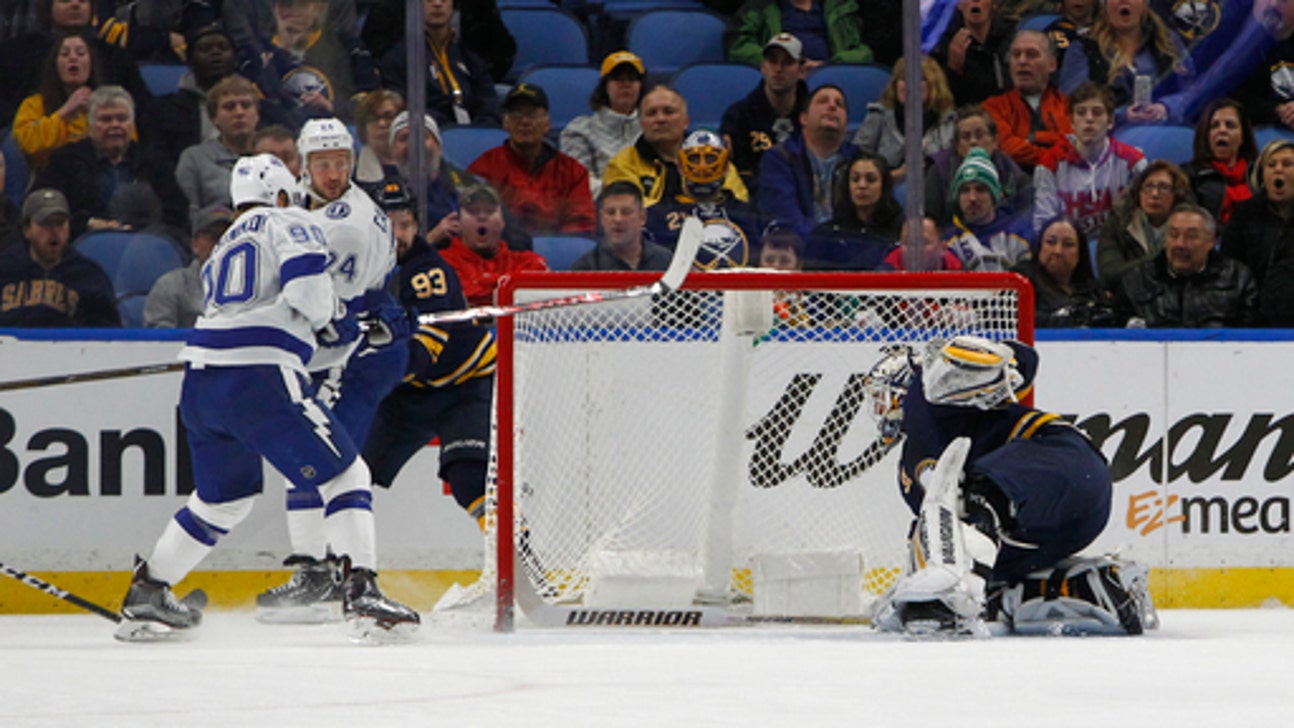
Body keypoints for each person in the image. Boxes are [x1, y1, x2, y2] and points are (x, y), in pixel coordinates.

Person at [116, 153, 419, 641]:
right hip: (257, 378)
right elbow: (309, 300)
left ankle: (150, 591)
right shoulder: (290, 220)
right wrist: (346, 319)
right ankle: (362, 592)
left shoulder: (222, 251)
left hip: (202, 384)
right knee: (346, 474)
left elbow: (294, 341)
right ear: (281, 195)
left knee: (222, 501)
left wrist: (355, 334)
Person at [865, 336, 1152, 636]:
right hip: (1055, 523)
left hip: (1063, 463)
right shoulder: (912, 464)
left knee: (977, 498)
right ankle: (1093, 588)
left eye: (883, 396)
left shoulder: (925, 400)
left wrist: (965, 361)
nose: (880, 407)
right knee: (993, 583)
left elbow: (1026, 362)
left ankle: (948, 594)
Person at [253, 119, 407, 623]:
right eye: (323, 163)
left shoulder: (345, 223)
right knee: (308, 455)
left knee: (317, 456)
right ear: (304, 164)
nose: (334, 172)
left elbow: (325, 310)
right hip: (345, 344)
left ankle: (323, 574)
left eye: (341, 161)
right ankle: (321, 569)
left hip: (357, 349)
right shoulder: (304, 204)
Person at [359, 181, 499, 563]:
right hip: (408, 391)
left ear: (417, 227)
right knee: (350, 475)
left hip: (464, 383)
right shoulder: (359, 268)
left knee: (468, 478)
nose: (398, 234)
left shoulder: (427, 271)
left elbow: (425, 352)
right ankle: (332, 568)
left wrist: (366, 372)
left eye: (405, 224)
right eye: (388, 224)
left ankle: (517, 558)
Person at [34, 85, 189, 240]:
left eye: (122, 118)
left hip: (145, 243)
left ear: (132, 124)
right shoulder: (65, 160)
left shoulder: (154, 161)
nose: (115, 125)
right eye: (105, 119)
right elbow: (44, 209)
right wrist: (89, 224)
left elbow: (176, 213)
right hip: (82, 243)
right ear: (89, 126)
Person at [0, 0, 151, 136]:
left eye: (83, 1)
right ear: (47, 6)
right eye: (65, 0)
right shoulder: (16, 52)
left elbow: (142, 107)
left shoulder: (114, 56)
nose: (75, 5)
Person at [467, 83, 597, 237]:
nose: (524, 122)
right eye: (516, 114)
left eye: (532, 114)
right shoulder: (485, 167)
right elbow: (474, 219)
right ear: (505, 123)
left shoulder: (572, 171)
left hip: (555, 254)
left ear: (547, 124)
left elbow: (581, 224)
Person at [1032, 82, 1146, 239]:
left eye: (1097, 112)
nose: (1089, 119)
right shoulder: (1050, 164)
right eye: (1081, 113)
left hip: (1120, 247)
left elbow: (1145, 219)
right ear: (1071, 121)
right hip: (1070, 250)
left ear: (1111, 121)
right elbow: (1043, 224)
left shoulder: (1133, 162)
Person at [604, 85, 749, 208]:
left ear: (686, 121)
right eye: (651, 113)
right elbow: (624, 211)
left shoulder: (713, 157)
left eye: (668, 111)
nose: (660, 119)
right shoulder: (624, 162)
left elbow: (737, 204)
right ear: (641, 123)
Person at [1115, 203, 1256, 327]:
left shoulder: (1237, 278)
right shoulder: (1137, 280)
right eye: (1173, 235)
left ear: (1210, 242)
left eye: (1191, 236)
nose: (1180, 244)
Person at [1056, 0, 1193, 127]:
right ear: (1106, 5)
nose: (1123, 1)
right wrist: (1121, 116)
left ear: (1145, 3)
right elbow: (1074, 103)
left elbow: (1192, 90)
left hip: (1164, 132)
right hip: (1106, 139)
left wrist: (1166, 107)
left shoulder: (1169, 43)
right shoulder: (1083, 48)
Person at [0, 187, 119, 327]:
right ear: (27, 229)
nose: (54, 231)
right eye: (45, 224)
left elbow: (108, 333)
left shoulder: (88, 275)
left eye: (60, 223)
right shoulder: (5, 269)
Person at [647, 129, 766, 269]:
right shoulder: (656, 215)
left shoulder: (750, 214)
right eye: (694, 158)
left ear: (727, 167)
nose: (702, 166)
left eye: (710, 158)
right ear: (680, 165)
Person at [377, 0, 500, 128]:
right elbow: (403, 107)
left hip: (473, 133)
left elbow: (488, 99)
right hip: (429, 134)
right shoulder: (399, 58)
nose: (437, 4)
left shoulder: (466, 55)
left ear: (453, 6)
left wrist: (483, 127)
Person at [249, 0, 370, 127]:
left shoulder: (345, 46)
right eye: (285, 5)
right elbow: (258, 105)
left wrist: (332, 108)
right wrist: (283, 48)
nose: (292, 12)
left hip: (336, 132)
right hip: (281, 139)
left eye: (301, 5)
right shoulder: (259, 51)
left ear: (317, 8)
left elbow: (367, 102)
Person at [758, 84, 855, 239]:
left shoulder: (858, 160)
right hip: (799, 252)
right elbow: (786, 215)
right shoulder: (780, 158)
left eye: (839, 104)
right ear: (803, 118)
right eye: (823, 101)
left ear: (847, 123)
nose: (832, 106)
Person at [720, 32, 808, 198]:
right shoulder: (738, 116)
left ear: (801, 70)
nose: (778, 69)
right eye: (772, 61)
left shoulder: (813, 115)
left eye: (787, 62)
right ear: (763, 66)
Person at [148, 21, 242, 173]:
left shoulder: (260, 108)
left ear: (236, 59)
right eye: (205, 49)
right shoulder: (163, 110)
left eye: (223, 48)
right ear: (189, 61)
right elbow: (157, 162)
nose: (215, 53)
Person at [438, 184, 548, 306]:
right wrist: (509, 285)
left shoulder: (528, 262)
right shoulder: (442, 263)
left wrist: (481, 283)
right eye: (473, 211)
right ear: (457, 222)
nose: (482, 217)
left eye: (490, 211)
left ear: (502, 222)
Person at [852, 56, 957, 184]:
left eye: (920, 79)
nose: (910, 85)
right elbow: (858, 163)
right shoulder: (878, 116)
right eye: (904, 79)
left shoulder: (949, 122)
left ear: (934, 86)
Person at [924, 104, 1032, 226]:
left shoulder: (1011, 171)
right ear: (957, 145)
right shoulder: (939, 170)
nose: (973, 141)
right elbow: (930, 221)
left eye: (980, 135)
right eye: (966, 137)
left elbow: (1026, 215)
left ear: (995, 140)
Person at [982, 29, 1073, 172]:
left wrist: (1034, 137)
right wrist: (1050, 155)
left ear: (1052, 64)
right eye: (1016, 55)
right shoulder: (993, 107)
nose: (1022, 61)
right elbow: (1007, 148)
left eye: (1032, 54)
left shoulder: (1068, 105)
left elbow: (1074, 146)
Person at [1094, 160, 1191, 292]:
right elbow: (1109, 275)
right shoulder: (1118, 223)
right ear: (1138, 192)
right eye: (1148, 187)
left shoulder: (1191, 227)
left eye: (1164, 187)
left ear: (1176, 194)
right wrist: (1158, 258)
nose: (1155, 194)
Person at [559, 51, 646, 198]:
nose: (625, 85)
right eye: (618, 79)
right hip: (601, 209)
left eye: (632, 79)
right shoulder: (579, 129)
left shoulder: (654, 127)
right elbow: (578, 182)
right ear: (604, 86)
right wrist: (624, 193)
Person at [174, 75, 259, 219]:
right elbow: (187, 217)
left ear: (257, 114)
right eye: (229, 107)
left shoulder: (275, 154)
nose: (239, 113)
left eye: (246, 105)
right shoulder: (195, 159)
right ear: (214, 118)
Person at [12, 34, 100, 170]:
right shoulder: (34, 104)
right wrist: (65, 112)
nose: (73, 58)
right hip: (49, 176)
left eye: (81, 53)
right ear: (55, 64)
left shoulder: (107, 102)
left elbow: (126, 143)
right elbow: (27, 143)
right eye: (65, 54)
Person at [805, 150, 902, 270]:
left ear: (884, 186)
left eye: (871, 180)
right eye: (855, 179)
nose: (862, 185)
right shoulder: (826, 234)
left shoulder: (901, 231)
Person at [1220, 138, 1294, 292]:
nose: (1278, 170)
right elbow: (1229, 273)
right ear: (1262, 176)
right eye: (1271, 165)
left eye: (1287, 164)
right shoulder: (1244, 216)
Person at [1012, 215, 1114, 326]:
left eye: (1068, 244)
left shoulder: (1092, 290)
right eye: (1051, 242)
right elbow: (1011, 318)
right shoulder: (1021, 280)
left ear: (1080, 252)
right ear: (1040, 246)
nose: (1058, 251)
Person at [942, 147, 1033, 271]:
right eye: (965, 191)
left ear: (995, 196)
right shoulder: (948, 242)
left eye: (980, 190)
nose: (972, 198)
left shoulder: (1019, 235)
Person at [142, 206, 233, 328]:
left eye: (229, 236)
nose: (221, 243)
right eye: (213, 237)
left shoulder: (253, 284)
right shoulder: (170, 286)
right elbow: (158, 339)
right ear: (195, 244)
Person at [1179, 98, 1258, 229]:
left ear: (1243, 136)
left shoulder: (1260, 173)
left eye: (1230, 125)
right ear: (1206, 135)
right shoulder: (1188, 175)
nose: (1222, 130)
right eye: (1214, 125)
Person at [725, 0, 872, 69]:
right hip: (782, 77)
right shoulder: (759, 7)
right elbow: (737, 45)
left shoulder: (840, 7)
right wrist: (780, 62)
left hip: (831, 76)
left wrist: (828, 65)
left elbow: (862, 52)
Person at [571, 180, 672, 272]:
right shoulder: (585, 270)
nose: (618, 219)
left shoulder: (668, 263)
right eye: (611, 212)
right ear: (602, 218)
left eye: (626, 212)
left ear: (642, 217)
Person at [930, 0, 1017, 105]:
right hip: (966, 113)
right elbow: (939, 99)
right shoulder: (944, 43)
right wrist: (953, 68)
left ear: (993, 4)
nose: (975, 1)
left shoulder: (1013, 38)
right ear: (959, 4)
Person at [352, 89, 405, 200]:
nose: (381, 124)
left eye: (389, 116)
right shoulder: (351, 172)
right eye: (373, 118)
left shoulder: (427, 165)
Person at [878, 215, 964, 271]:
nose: (914, 249)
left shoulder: (956, 269)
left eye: (923, 242)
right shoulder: (887, 268)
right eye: (908, 242)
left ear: (942, 247)